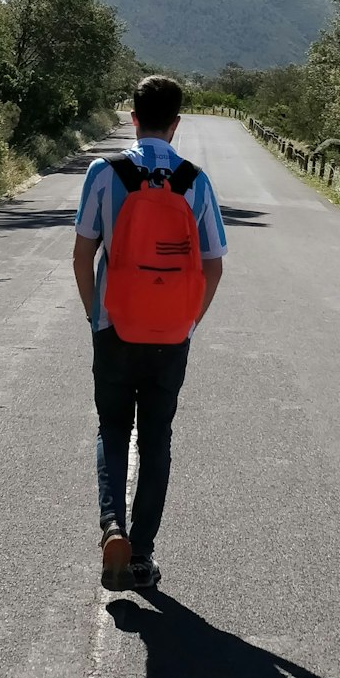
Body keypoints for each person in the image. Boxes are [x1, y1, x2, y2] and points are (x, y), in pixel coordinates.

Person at [73, 75, 227, 590]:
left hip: (115, 326)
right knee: (156, 438)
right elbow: (214, 266)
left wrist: (96, 314)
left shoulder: (104, 171)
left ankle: (112, 525)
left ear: (133, 118)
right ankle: (141, 554)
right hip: (170, 334)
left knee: (113, 430)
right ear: (177, 123)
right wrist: (189, 320)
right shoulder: (194, 181)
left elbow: (82, 252)